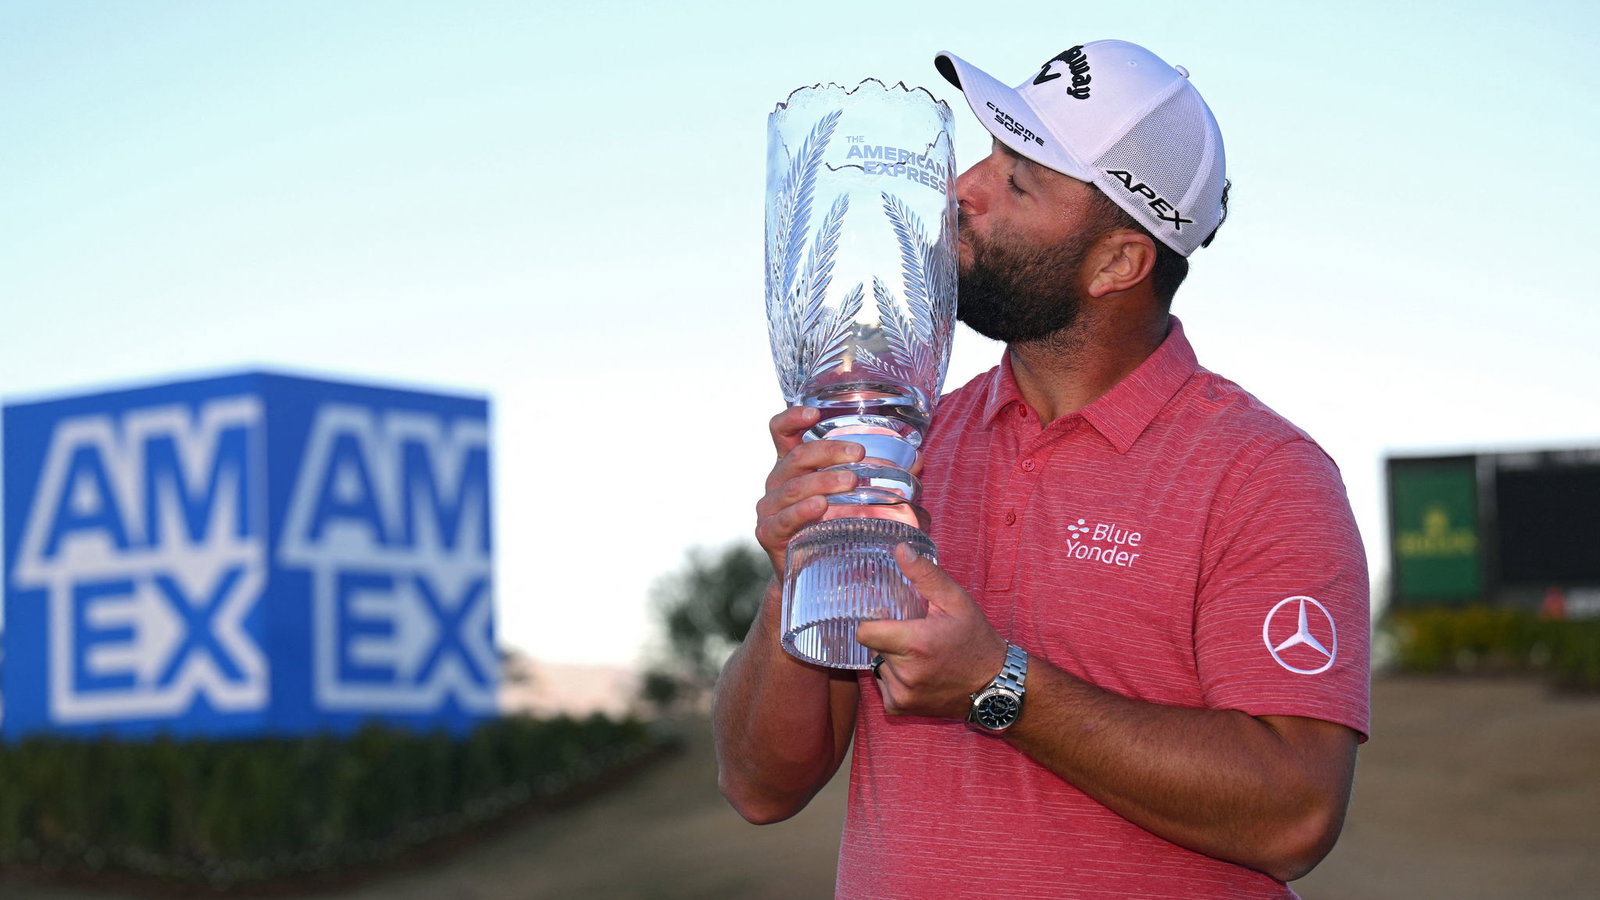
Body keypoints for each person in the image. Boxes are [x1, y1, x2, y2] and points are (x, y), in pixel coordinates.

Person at [715, 39, 1369, 899]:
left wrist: (999, 684)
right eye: (987, 153)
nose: (963, 191)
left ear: (1118, 263)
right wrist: (798, 572)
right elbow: (762, 788)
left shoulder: (1263, 475)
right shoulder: (909, 441)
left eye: (1018, 181)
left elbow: (1295, 816)